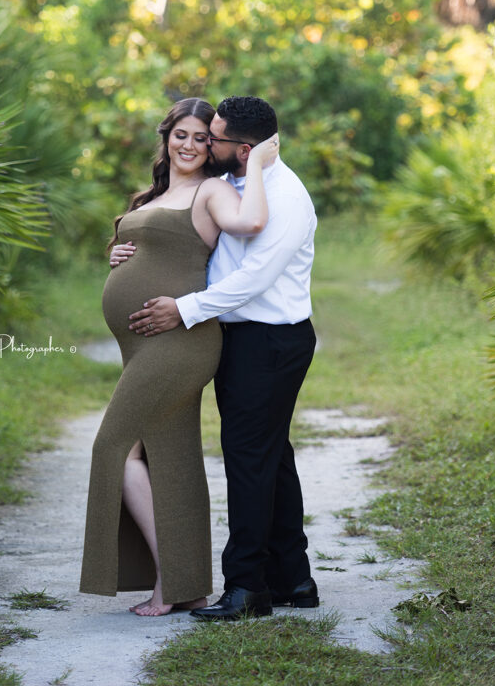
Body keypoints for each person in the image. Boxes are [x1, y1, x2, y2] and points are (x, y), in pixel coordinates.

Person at [79, 97, 279, 617]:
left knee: (114, 449)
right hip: (142, 343)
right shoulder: (154, 194)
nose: (189, 145)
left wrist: (254, 161)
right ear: (166, 138)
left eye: (199, 137)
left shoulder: (213, 189)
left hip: (180, 342)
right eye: (180, 135)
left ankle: (170, 582)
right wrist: (118, 251)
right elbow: (148, 248)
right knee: (171, 460)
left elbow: (253, 221)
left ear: (212, 145)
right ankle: (189, 586)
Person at [125, 96, 319, 620]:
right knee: (272, 460)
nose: (206, 144)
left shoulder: (287, 197)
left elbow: (252, 279)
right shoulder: (235, 184)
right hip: (240, 339)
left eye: (215, 139)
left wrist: (184, 310)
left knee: (249, 463)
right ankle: (293, 579)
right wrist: (132, 249)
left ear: (245, 148)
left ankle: (246, 589)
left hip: (270, 342)